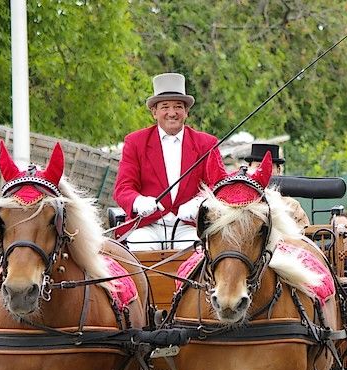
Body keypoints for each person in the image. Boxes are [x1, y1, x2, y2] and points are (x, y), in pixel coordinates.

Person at [113, 73, 218, 250]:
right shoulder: (135, 142)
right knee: (140, 249)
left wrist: (200, 202)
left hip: (188, 226)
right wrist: (139, 202)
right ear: (154, 112)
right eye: (165, 107)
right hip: (148, 226)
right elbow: (123, 188)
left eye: (178, 106)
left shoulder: (207, 144)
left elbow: (216, 185)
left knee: (196, 254)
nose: (172, 113)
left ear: (186, 111)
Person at [244, 143, 310, 230]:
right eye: (258, 166)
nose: (263, 172)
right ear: (249, 168)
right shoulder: (241, 203)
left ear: (278, 170)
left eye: (269, 167)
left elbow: (304, 236)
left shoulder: (291, 206)